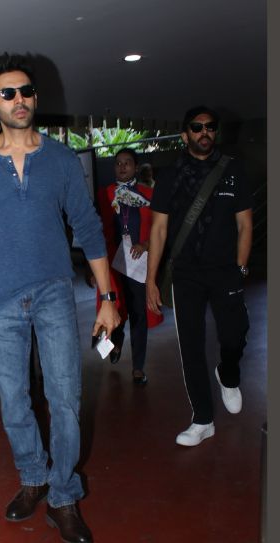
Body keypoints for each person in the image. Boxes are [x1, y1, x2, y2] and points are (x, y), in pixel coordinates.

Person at [0, 52, 120, 543]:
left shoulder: (61, 160)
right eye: (8, 93)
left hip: (54, 292)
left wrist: (108, 297)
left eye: (25, 91)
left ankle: (63, 496)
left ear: (34, 98)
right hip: (0, 298)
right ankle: (33, 475)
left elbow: (88, 228)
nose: (18, 100)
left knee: (65, 399)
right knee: (14, 401)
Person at [145, 105, 253, 447]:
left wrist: (240, 267)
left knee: (235, 335)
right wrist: (151, 280)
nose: (204, 132)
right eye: (196, 127)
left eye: (209, 127)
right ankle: (203, 420)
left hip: (226, 271)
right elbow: (158, 230)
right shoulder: (170, 176)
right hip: (186, 274)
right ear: (185, 135)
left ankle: (228, 374)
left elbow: (245, 224)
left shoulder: (233, 170)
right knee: (190, 347)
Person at [94, 148, 163, 386]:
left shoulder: (149, 194)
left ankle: (138, 367)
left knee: (138, 313)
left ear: (136, 167)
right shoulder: (105, 194)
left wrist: (146, 244)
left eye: (127, 163)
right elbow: (96, 230)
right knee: (115, 306)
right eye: (118, 163)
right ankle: (117, 339)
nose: (122, 167)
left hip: (138, 263)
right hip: (113, 264)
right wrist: (92, 268)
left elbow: (160, 229)